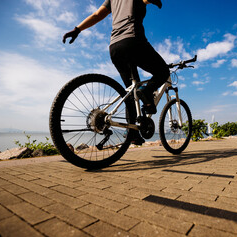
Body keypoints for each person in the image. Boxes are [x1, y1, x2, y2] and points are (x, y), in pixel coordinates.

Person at [63, 0, 169, 145]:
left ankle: (132, 133)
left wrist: (77, 29)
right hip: (134, 41)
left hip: (115, 47)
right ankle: (147, 90)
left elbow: (97, 14)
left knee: (131, 92)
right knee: (163, 71)